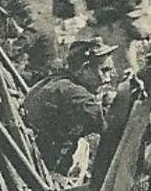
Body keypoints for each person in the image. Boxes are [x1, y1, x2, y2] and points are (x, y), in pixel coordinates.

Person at [23, 40, 113, 175]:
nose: (108, 79)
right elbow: (108, 127)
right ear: (85, 68)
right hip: (47, 171)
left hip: (35, 156)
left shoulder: (57, 80)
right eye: (104, 71)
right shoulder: (74, 93)